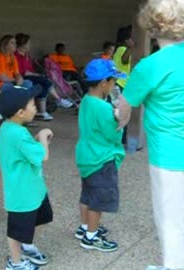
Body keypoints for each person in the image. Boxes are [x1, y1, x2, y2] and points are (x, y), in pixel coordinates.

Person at [117, 1, 184, 269]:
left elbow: (125, 107)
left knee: (170, 218)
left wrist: (119, 121)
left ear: (152, 25)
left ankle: (174, 266)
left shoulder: (150, 65)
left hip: (171, 154)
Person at [0, 86, 54, 270]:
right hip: (22, 194)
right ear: (20, 112)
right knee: (16, 231)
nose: (36, 107)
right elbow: (43, 156)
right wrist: (44, 136)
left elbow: (26, 151)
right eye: (32, 105)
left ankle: (26, 246)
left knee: (35, 220)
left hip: (31, 190)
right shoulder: (18, 133)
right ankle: (15, 262)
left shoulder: (9, 127)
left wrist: (36, 140)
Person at [74, 59, 126, 252]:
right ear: (104, 82)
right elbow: (113, 135)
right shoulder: (104, 108)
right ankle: (91, 237)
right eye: (113, 81)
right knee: (98, 200)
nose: (115, 85)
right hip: (101, 159)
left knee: (87, 195)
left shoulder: (86, 101)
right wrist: (119, 119)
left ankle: (85, 227)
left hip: (86, 157)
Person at [14, 33, 73, 111]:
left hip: (30, 76)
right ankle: (59, 99)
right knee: (43, 80)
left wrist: (37, 73)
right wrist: (36, 74)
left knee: (43, 85)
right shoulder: (16, 55)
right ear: (23, 44)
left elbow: (31, 69)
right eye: (28, 43)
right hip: (21, 77)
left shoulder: (26, 55)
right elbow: (22, 72)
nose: (29, 45)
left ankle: (43, 112)